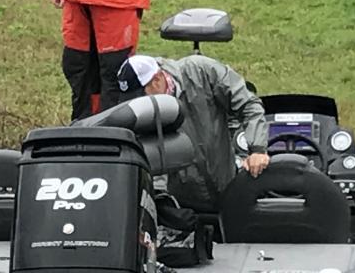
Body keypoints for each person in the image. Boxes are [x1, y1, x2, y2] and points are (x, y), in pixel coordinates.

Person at [116, 53, 270, 212]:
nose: (137, 102)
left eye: (141, 94)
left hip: (228, 187)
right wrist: (163, 204)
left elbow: (249, 105)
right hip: (184, 205)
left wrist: (257, 149)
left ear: (157, 80)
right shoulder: (141, 113)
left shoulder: (202, 71)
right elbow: (150, 160)